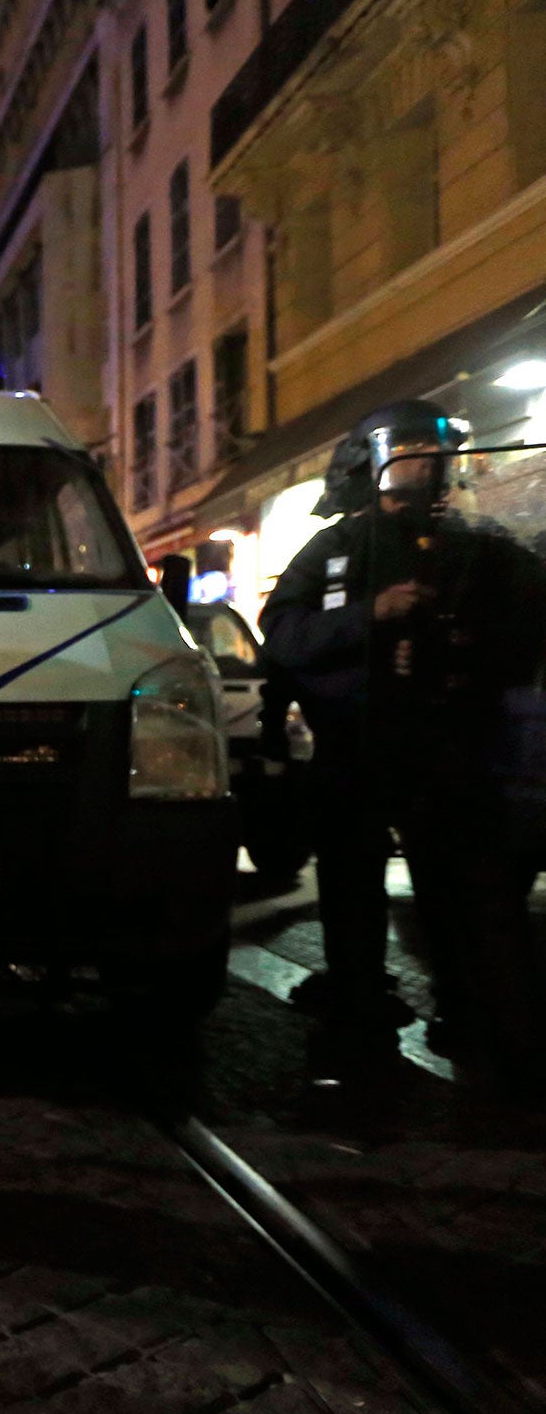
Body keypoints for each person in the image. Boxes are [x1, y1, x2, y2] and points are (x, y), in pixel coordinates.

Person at [262, 401, 546, 1066]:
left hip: (450, 748)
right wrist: (371, 615)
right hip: (354, 749)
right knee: (350, 887)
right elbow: (283, 633)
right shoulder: (336, 547)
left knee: (458, 888)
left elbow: (527, 622)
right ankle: (360, 1010)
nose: (425, 463)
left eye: (434, 450)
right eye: (410, 449)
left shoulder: (478, 544)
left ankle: (474, 1012)